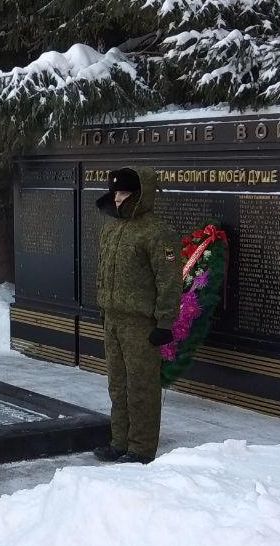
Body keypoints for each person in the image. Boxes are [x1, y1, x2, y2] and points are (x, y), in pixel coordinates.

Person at [91, 167, 182, 465]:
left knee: (141, 385)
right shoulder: (111, 228)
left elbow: (168, 280)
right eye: (116, 193)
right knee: (117, 384)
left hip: (141, 323)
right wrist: (103, 305)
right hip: (114, 319)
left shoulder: (157, 232)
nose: (118, 199)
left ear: (142, 195)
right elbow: (103, 271)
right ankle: (120, 441)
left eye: (126, 193)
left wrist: (165, 322)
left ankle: (141, 448)